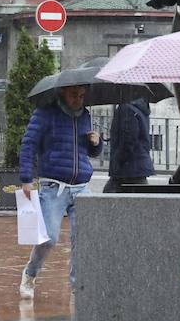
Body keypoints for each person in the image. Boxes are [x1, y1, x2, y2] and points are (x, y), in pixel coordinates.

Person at [18, 84, 104, 299]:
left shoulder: (85, 115)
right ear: (62, 93)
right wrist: (26, 179)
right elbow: (28, 144)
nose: (78, 99)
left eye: (82, 95)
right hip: (53, 186)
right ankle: (30, 274)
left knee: (83, 238)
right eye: (74, 95)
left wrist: (97, 144)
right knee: (49, 239)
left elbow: (89, 151)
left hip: (81, 186)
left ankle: (77, 287)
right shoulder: (45, 113)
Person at [104, 96, 154, 192]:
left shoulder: (126, 108)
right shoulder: (139, 107)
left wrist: (118, 161)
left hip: (128, 168)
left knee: (108, 197)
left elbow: (129, 139)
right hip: (137, 165)